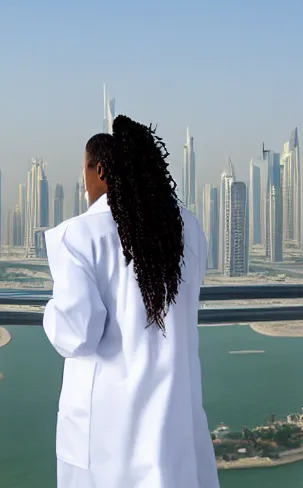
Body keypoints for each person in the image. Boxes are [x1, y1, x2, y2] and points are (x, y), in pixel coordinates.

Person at [42, 115, 219, 488]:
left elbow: (76, 335)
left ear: (101, 170)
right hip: (174, 417)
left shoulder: (80, 236)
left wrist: (49, 313)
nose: (85, 184)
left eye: (86, 172)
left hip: (108, 429)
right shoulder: (188, 230)